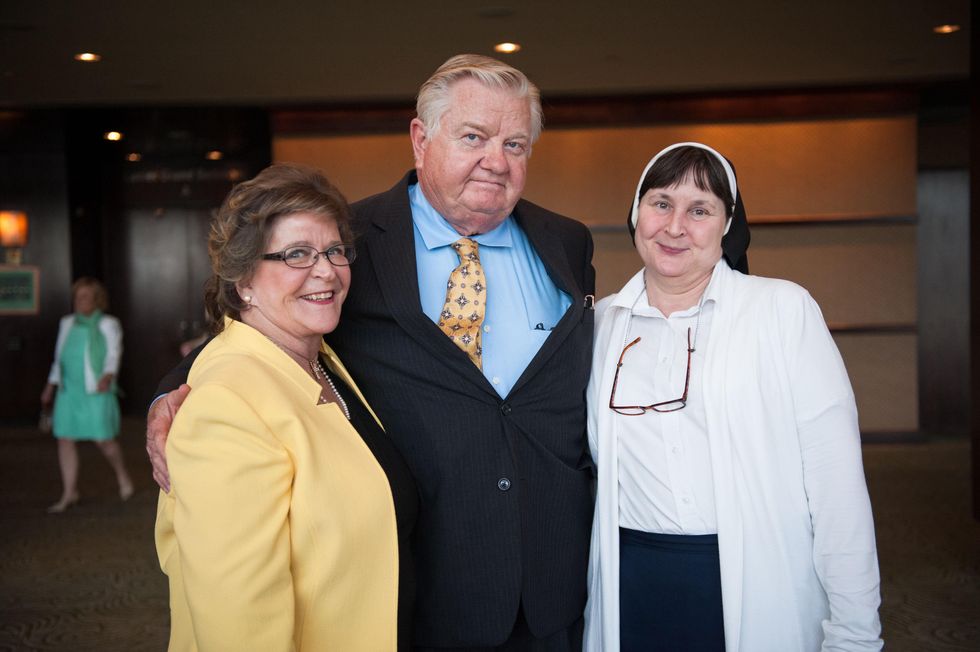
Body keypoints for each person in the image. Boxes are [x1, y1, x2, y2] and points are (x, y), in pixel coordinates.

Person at [583, 142, 882, 651]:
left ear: (727, 224)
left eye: (699, 210)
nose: (675, 226)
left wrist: (855, 631)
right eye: (661, 203)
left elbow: (836, 485)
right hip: (630, 585)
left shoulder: (781, 311)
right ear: (636, 213)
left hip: (757, 581)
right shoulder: (600, 324)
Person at [153, 164, 417, 650]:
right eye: (297, 254)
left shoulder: (321, 361)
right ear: (243, 281)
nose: (327, 270)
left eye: (334, 250)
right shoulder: (225, 406)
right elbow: (240, 625)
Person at [41, 277, 133, 512]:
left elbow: (113, 353)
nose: (80, 301)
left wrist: (108, 375)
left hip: (96, 390)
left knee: (104, 439)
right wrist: (50, 386)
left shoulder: (108, 324)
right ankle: (69, 492)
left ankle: (122, 475)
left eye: (85, 296)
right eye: (77, 296)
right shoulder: (67, 323)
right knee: (65, 439)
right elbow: (58, 358)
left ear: (96, 299)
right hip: (69, 390)